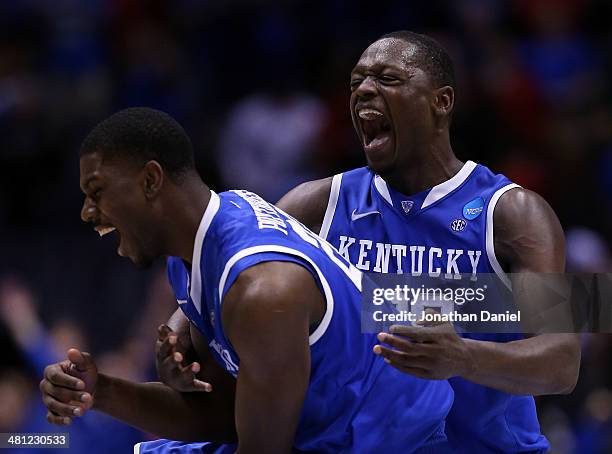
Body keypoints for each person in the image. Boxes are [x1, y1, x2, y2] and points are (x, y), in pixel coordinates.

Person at [160, 31, 580, 453]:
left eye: (387, 78)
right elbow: (224, 272)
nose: (362, 90)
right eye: (355, 82)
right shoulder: (315, 203)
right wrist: (180, 339)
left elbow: (563, 363)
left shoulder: (514, 213)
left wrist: (464, 357)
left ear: (442, 101)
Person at [39, 107, 453, 453]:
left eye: (96, 192)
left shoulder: (261, 292)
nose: (87, 213)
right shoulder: (204, 237)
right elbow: (222, 415)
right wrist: (101, 391)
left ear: (150, 180)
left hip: (396, 442)